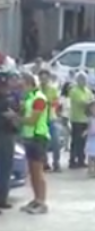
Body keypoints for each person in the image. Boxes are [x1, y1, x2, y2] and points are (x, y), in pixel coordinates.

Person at [19, 72, 50, 214]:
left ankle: (42, 201)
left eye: (22, 82)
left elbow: (32, 120)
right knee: (32, 171)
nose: (20, 85)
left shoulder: (39, 98)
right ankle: (36, 199)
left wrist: (16, 118)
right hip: (29, 136)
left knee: (38, 171)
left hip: (38, 136)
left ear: (28, 82)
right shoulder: (29, 97)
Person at [0, 69, 19, 212]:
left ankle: (3, 199)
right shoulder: (8, 99)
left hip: (8, 134)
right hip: (4, 134)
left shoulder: (12, 98)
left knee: (6, 168)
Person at [68, 72, 93, 169]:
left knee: (83, 141)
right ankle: (72, 160)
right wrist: (90, 103)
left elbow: (92, 100)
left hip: (86, 119)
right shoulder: (74, 91)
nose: (83, 81)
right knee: (76, 141)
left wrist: (91, 103)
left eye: (85, 79)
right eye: (81, 79)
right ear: (77, 80)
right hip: (77, 119)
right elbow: (82, 102)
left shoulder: (87, 90)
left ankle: (81, 160)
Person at [39, 70, 62, 172]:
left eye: (45, 78)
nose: (43, 80)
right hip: (40, 119)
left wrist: (49, 103)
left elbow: (57, 103)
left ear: (48, 78)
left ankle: (56, 163)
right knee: (42, 142)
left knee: (56, 141)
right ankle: (45, 163)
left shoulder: (52, 89)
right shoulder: (37, 89)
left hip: (51, 118)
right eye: (42, 78)